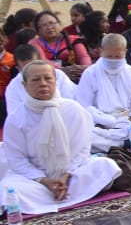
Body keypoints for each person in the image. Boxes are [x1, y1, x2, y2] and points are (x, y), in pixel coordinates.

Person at [2, 61, 121, 214]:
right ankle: (61, 195)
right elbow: (17, 159)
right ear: (25, 85)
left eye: (48, 78)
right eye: (36, 80)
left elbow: (83, 150)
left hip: (71, 175)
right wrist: (45, 181)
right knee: (8, 189)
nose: (43, 84)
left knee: (105, 166)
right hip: (36, 180)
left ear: (55, 81)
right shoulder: (16, 118)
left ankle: (58, 195)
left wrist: (65, 177)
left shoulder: (74, 109)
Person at [6, 44, 77, 110]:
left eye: (34, 64)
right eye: (26, 67)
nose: (43, 83)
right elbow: (15, 115)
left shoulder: (58, 75)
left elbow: (71, 100)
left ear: (41, 61)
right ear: (18, 69)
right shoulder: (13, 87)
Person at [31, 11, 92, 82]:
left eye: (52, 23)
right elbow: (41, 60)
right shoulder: (34, 43)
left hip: (77, 75)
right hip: (49, 78)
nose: (49, 27)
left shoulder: (71, 40)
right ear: (38, 30)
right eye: (44, 25)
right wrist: (62, 70)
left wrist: (84, 68)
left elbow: (83, 56)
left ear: (59, 24)